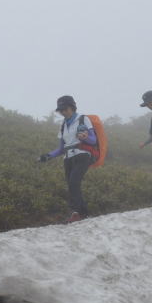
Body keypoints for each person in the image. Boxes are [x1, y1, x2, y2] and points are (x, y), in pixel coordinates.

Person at [39, 95, 97, 223]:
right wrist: (47, 156)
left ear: (72, 107)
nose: (63, 112)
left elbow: (93, 140)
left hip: (82, 154)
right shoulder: (63, 125)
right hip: (68, 158)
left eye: (65, 109)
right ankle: (84, 214)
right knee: (72, 185)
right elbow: (61, 149)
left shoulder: (83, 119)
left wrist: (84, 138)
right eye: (61, 110)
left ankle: (76, 213)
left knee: (73, 182)